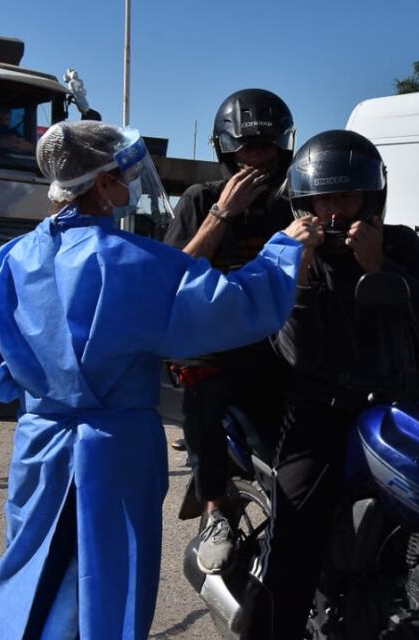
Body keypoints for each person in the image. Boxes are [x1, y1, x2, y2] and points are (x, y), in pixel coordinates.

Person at [0, 120, 317, 639]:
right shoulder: (128, 260)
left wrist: (47, 392)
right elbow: (227, 306)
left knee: (31, 571)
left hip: (40, 444)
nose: (128, 188)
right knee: (111, 585)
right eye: (122, 177)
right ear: (103, 183)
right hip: (115, 446)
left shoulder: (11, 259)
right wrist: (283, 249)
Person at [237, 129, 419, 640]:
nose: (335, 210)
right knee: (292, 542)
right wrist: (302, 272)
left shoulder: (399, 242)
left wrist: (381, 266)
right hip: (323, 414)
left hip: (402, 411)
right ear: (306, 202)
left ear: (370, 198)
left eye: (348, 196)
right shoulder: (286, 253)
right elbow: (295, 351)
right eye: (325, 198)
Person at [163, 88, 298, 575]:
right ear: (226, 150)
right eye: (248, 149)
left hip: (278, 344)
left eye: (266, 149)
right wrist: (225, 212)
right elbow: (173, 272)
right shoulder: (200, 199)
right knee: (205, 386)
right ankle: (216, 508)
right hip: (214, 346)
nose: (258, 160)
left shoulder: (292, 207)